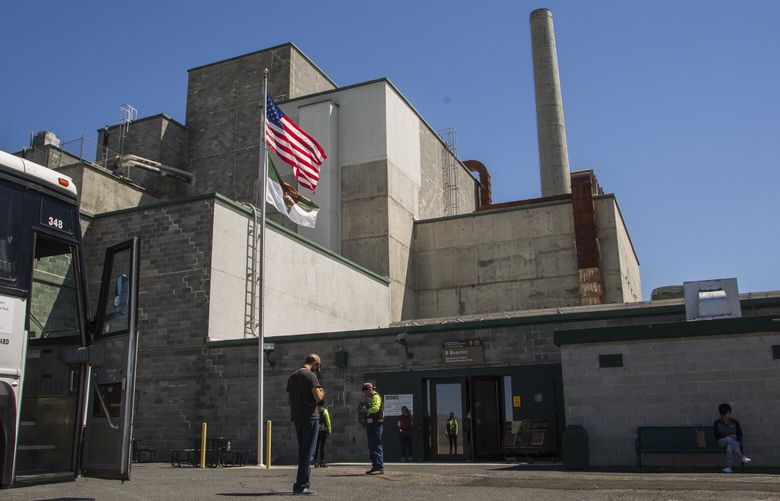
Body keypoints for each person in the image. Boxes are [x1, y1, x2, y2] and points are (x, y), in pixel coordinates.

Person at [285, 354, 325, 495]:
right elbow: (318, 397)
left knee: (303, 450)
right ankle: (302, 486)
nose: (317, 368)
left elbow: (288, 400)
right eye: (317, 365)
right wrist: (322, 391)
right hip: (310, 417)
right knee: (308, 452)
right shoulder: (310, 376)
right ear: (314, 362)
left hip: (297, 418)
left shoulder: (292, 376)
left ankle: (299, 485)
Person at [713, 402, 751, 473]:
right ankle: (742, 457)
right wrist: (728, 436)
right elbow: (716, 435)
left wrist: (736, 437)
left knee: (729, 447)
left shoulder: (735, 422)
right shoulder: (717, 423)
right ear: (722, 415)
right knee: (728, 439)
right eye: (726, 414)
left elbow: (740, 434)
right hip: (722, 441)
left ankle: (729, 468)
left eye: (729, 414)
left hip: (735, 442)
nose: (728, 416)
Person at [362, 382, 384, 474]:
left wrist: (366, 410)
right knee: (372, 445)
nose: (365, 394)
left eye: (365, 391)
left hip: (376, 424)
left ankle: (379, 466)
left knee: (376, 444)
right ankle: (375, 465)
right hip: (371, 424)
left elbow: (375, 408)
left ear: (369, 389)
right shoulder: (371, 398)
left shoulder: (376, 397)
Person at [313, 399, 331, 468]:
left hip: (316, 430)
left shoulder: (315, 410)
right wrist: (329, 430)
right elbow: (328, 421)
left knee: (316, 447)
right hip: (323, 430)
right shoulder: (324, 411)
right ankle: (322, 461)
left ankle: (315, 462)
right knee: (322, 447)